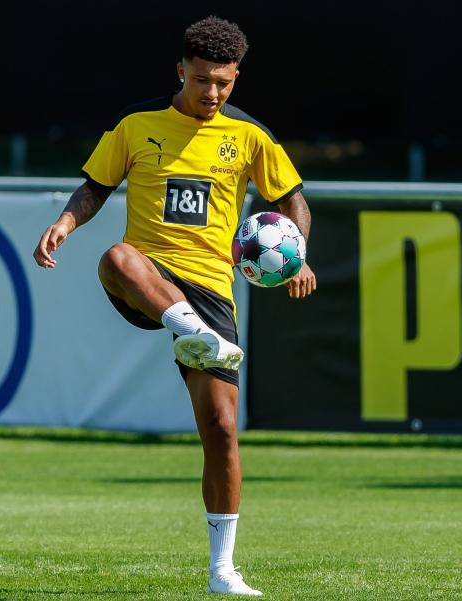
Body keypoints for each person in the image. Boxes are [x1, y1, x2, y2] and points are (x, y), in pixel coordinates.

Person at [32, 15, 315, 597]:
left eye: (225, 83)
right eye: (204, 80)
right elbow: (95, 186)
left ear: (236, 77)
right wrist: (64, 221)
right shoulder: (137, 124)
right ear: (180, 69)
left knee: (221, 430)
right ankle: (183, 324)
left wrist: (298, 254)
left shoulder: (250, 136)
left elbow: (290, 198)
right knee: (116, 256)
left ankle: (222, 571)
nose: (213, 94)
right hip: (149, 277)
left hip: (212, 289)